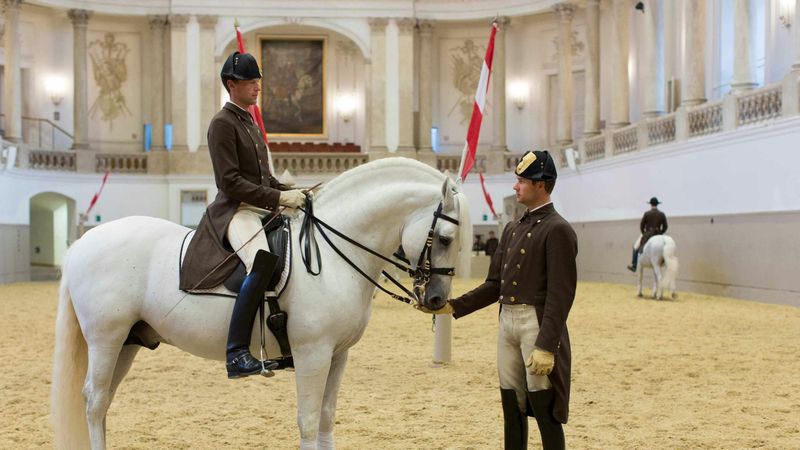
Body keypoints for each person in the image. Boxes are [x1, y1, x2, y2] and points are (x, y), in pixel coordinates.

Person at [422, 150, 577, 450]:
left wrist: (547, 345)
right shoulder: (513, 228)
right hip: (507, 322)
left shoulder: (558, 229)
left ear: (541, 185)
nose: (515, 187)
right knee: (511, 403)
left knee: (544, 408)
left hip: (536, 323)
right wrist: (452, 306)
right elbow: (495, 285)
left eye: (521, 181)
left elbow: (561, 294)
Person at [179, 51, 307, 379]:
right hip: (236, 210)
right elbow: (231, 182)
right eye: (250, 81)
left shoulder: (249, 122)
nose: (257, 86)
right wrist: (278, 196)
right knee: (262, 258)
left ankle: (283, 339)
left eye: (258, 80)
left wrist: (293, 191)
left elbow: (262, 178)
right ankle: (236, 351)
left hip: (259, 205)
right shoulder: (222, 124)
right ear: (231, 84)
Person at [627, 197, 668, 272]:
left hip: (648, 234)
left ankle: (634, 265)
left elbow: (641, 226)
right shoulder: (662, 214)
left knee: (635, 247)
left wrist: (644, 233)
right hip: (658, 234)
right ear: (657, 204)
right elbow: (665, 227)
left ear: (651, 204)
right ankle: (665, 261)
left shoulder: (647, 214)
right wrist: (660, 233)